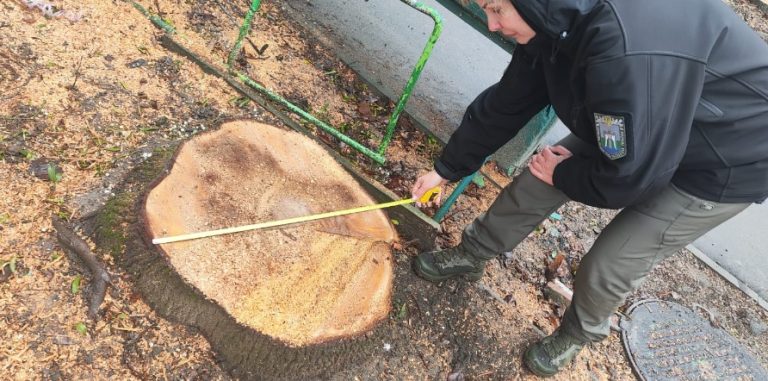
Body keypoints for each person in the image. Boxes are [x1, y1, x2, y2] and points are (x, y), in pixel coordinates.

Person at [410, 0, 768, 377]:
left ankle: (578, 333)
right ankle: (473, 253)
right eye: (486, 8)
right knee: (538, 178)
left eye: (497, 9)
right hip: (650, 118)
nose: (492, 24)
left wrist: (565, 175)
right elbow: (507, 103)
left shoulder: (620, 55)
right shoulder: (551, 21)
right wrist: (445, 169)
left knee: (614, 259)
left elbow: (631, 175)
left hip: (727, 156)